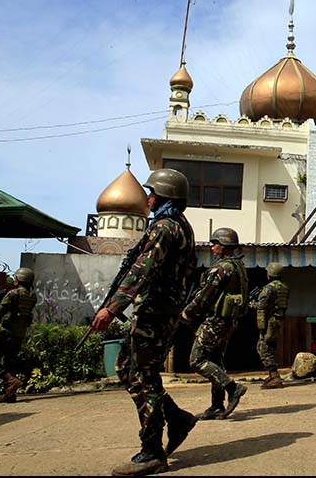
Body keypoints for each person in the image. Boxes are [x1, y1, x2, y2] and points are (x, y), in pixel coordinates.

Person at [91, 168, 199, 476]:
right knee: (127, 368)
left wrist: (112, 308)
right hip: (158, 310)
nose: (147, 198)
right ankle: (177, 418)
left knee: (143, 375)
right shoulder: (178, 226)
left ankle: (152, 450)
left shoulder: (165, 228)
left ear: (165, 196)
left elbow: (142, 270)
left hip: (155, 312)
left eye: (152, 193)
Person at [181, 227, 249, 419]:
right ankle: (216, 405)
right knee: (215, 361)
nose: (212, 248)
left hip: (216, 321)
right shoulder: (238, 266)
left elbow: (205, 297)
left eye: (215, 244)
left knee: (197, 360)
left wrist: (187, 313)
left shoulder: (222, 268)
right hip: (228, 322)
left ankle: (233, 388)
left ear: (225, 246)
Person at [0, 267, 37, 404]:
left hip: (7, 331)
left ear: (18, 279)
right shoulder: (31, 296)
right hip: (19, 333)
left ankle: (11, 381)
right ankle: (10, 395)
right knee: (8, 362)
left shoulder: (12, 294)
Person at [254, 261, 290, 389]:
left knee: (263, 348)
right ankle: (271, 375)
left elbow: (262, 306)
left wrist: (252, 304)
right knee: (270, 346)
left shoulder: (269, 288)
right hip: (277, 320)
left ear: (270, 274)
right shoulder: (284, 287)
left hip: (269, 321)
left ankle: (275, 376)